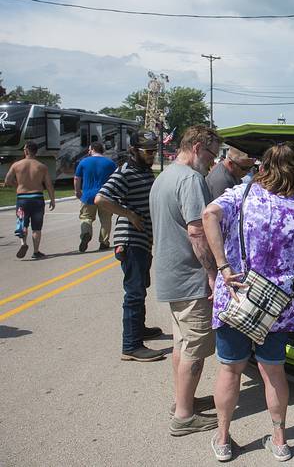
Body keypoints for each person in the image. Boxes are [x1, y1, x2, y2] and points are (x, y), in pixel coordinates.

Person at [202, 143, 294, 462]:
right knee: (274, 372)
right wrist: (289, 285)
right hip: (278, 306)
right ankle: (280, 440)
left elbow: (207, 215)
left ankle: (224, 438)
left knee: (230, 370)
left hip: (236, 296)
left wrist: (223, 266)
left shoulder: (241, 197)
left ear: (262, 167)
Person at [150, 125, 222, 437]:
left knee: (182, 341)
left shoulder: (164, 176)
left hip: (170, 274)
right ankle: (183, 416)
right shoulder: (192, 179)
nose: (212, 162)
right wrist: (213, 272)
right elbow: (197, 230)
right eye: (210, 154)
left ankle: (183, 400)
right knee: (195, 346)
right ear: (196, 147)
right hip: (190, 277)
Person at [95, 131, 164, 362]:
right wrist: (129, 215)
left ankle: (139, 330)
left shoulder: (142, 171)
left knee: (140, 288)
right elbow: (101, 199)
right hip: (130, 240)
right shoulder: (125, 172)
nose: (152, 155)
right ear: (133, 150)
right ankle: (131, 345)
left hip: (142, 240)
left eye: (154, 150)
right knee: (134, 292)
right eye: (148, 151)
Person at [4, 141, 56, 259]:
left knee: (22, 223)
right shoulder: (42, 166)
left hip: (22, 199)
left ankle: (23, 243)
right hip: (37, 199)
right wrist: (52, 199)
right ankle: (36, 251)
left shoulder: (16, 165)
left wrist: (17, 185)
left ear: (26, 150)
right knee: (37, 227)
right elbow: (48, 185)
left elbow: (7, 180)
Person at [75, 141, 117, 252]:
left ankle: (86, 233)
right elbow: (116, 179)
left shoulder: (83, 162)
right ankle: (104, 242)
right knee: (106, 220)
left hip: (88, 195)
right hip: (106, 195)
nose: (88, 152)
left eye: (89, 150)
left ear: (93, 149)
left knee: (86, 218)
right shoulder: (110, 163)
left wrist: (77, 191)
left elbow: (77, 178)